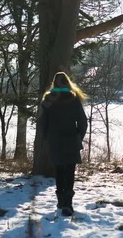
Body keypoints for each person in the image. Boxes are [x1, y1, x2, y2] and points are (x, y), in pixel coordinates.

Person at [40, 72, 88, 216]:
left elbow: (43, 122)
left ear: (54, 83)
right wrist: (79, 136)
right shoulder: (74, 99)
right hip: (71, 139)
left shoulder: (48, 99)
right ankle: (68, 203)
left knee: (59, 171)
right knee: (70, 171)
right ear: (67, 82)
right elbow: (83, 121)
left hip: (55, 141)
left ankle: (61, 201)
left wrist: (47, 137)